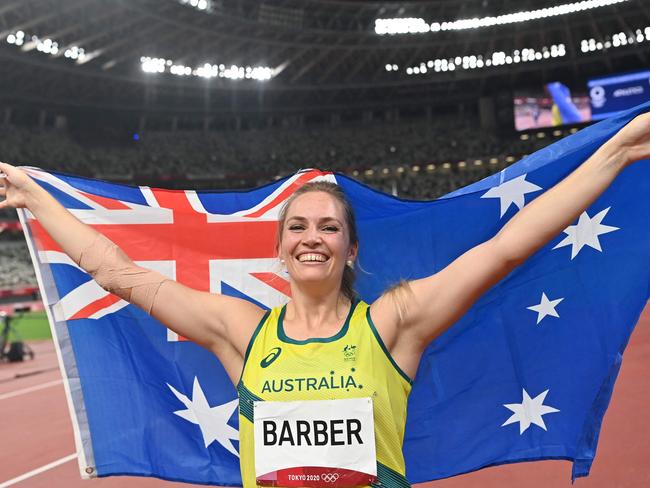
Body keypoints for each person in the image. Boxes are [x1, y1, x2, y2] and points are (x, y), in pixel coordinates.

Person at [0, 112, 649, 487]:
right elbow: (119, 274)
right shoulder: (242, 331)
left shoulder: (394, 324)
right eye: (298, 227)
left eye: (328, 226)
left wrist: (618, 151)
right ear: (280, 249)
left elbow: (508, 247)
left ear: (350, 250)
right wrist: (39, 200)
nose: (312, 237)